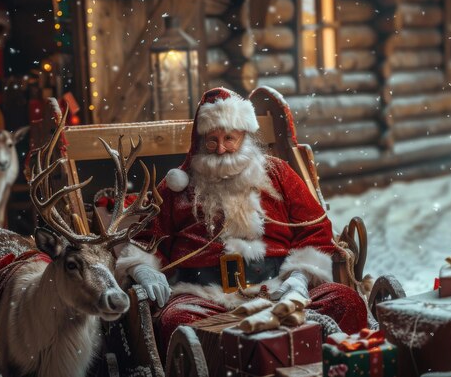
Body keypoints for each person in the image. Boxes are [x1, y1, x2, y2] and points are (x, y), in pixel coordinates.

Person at [115, 87, 367, 356]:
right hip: (204, 296)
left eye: (229, 138)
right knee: (177, 322)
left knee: (344, 301)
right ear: (200, 141)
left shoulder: (278, 173)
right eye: (212, 140)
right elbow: (145, 237)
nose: (221, 149)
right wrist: (143, 268)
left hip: (280, 290)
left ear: (244, 136)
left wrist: (300, 276)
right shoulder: (178, 186)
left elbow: (315, 228)